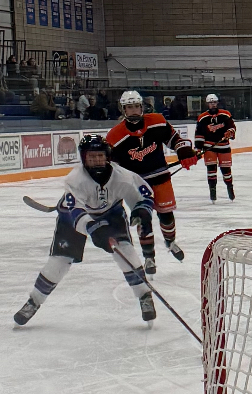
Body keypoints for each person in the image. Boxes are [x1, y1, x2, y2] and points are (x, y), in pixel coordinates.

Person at [14, 135, 157, 326]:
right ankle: (34, 301)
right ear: (83, 158)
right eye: (92, 157)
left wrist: (142, 212)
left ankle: (144, 296)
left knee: (126, 252)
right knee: (59, 262)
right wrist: (93, 228)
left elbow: (145, 196)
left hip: (111, 214)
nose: (97, 161)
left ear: (108, 157)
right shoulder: (75, 179)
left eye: (100, 156)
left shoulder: (123, 177)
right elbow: (77, 214)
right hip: (71, 218)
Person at [106, 89, 198, 275]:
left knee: (166, 215)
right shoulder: (115, 135)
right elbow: (112, 165)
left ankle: (170, 242)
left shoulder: (157, 121)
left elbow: (174, 139)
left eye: (136, 107)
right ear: (123, 110)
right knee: (143, 220)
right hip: (136, 185)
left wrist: (183, 151)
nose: (133, 111)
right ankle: (149, 257)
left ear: (142, 107)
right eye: (129, 107)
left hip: (160, 177)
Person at [195, 93, 237, 203]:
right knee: (211, 171)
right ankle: (212, 193)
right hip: (209, 147)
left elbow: (232, 127)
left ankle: (230, 189)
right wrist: (198, 148)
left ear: (217, 103)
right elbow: (199, 134)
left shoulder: (226, 114)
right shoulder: (202, 118)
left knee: (226, 170)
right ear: (207, 104)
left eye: (214, 102)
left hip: (224, 146)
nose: (213, 105)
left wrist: (230, 132)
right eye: (210, 103)